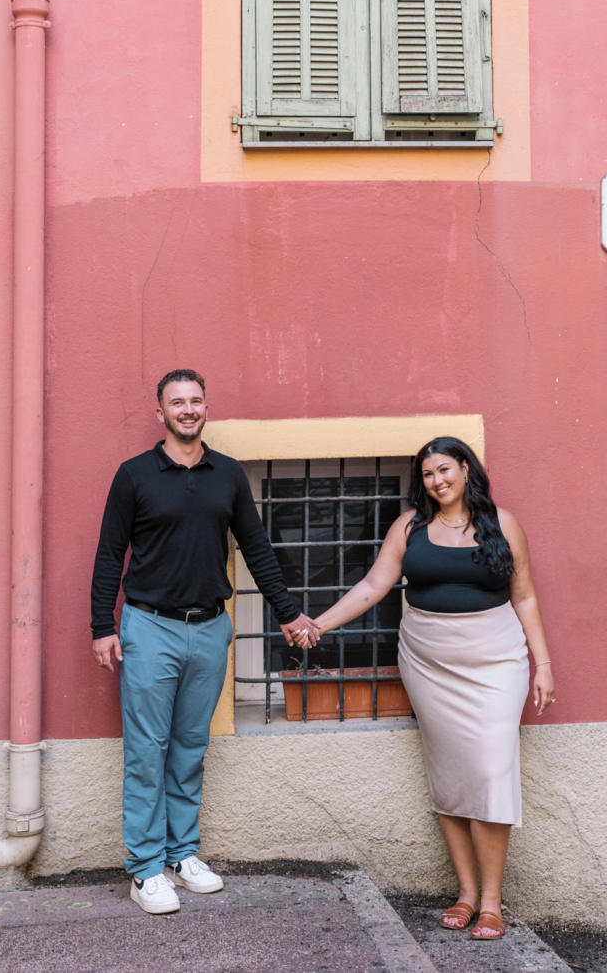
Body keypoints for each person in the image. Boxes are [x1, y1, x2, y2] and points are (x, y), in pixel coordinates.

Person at [300, 436, 554, 941]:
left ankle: (492, 901)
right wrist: (320, 624)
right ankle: (465, 893)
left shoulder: (503, 524)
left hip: (496, 661)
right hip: (428, 662)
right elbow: (374, 586)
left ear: (464, 468)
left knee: (488, 770)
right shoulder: (410, 526)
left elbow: (523, 596)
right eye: (428, 475)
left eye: (444, 470)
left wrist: (542, 664)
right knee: (448, 773)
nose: (437, 481)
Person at [90, 369, 319, 916]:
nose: (188, 409)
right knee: (148, 750)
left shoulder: (229, 475)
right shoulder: (134, 476)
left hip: (211, 627)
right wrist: (102, 626)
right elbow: (108, 554)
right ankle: (145, 868)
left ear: (205, 407)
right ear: (161, 413)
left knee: (190, 747)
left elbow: (257, 548)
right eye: (177, 402)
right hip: (149, 627)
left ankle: (182, 854)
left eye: (195, 401)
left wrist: (287, 613)